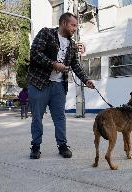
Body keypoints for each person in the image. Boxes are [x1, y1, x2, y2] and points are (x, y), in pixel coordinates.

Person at [28, 12, 95, 159]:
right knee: (37, 117)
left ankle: (62, 146)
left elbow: (75, 65)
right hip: (39, 83)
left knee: (60, 117)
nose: (75, 29)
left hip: (59, 86)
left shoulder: (71, 44)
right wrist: (53, 64)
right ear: (64, 23)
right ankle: (36, 146)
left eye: (76, 26)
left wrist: (86, 80)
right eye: (73, 25)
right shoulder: (46, 33)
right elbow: (35, 53)